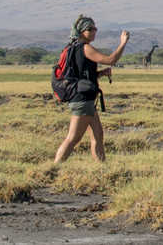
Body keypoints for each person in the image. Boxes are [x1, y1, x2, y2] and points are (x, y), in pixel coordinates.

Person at [54, 16, 130, 163]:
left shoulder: (72, 47)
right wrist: (123, 43)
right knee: (73, 138)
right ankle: (54, 168)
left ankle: (101, 167)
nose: (94, 31)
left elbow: (80, 75)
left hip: (85, 99)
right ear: (81, 32)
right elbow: (111, 60)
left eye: (95, 28)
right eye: (90, 29)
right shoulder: (85, 48)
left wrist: (100, 74)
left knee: (98, 134)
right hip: (82, 100)